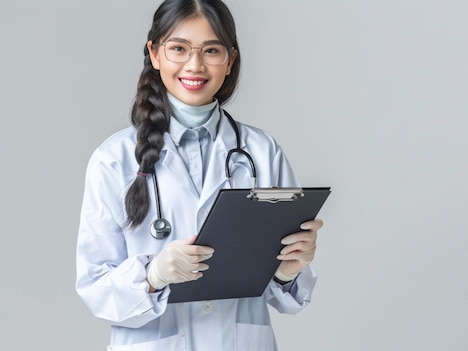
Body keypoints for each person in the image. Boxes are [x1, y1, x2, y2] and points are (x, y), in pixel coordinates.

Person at [75, 0, 323, 350]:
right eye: (178, 48)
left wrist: (287, 271)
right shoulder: (113, 160)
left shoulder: (262, 152)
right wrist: (153, 275)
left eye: (211, 50)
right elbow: (95, 288)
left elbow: (283, 297)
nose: (195, 65)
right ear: (155, 53)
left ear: (230, 60)